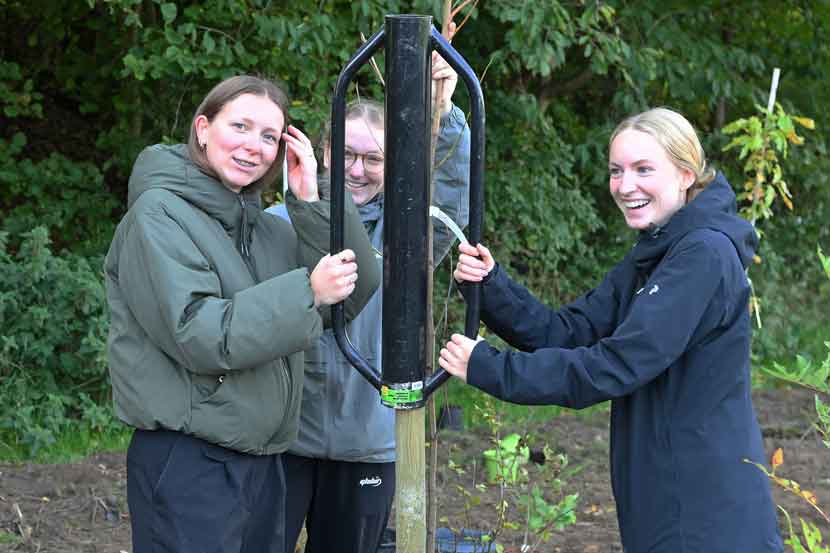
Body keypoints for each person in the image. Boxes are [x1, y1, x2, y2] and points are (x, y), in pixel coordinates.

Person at [439, 108, 783, 553]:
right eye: (616, 171)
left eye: (643, 170)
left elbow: (616, 365)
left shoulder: (703, 256)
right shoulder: (659, 251)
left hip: (702, 508)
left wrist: (490, 367)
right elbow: (568, 332)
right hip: (661, 493)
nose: (625, 186)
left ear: (685, 175)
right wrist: (493, 287)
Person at [104, 75, 380, 553]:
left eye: (269, 137)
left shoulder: (264, 229)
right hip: (191, 461)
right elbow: (199, 332)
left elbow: (354, 295)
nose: (254, 146)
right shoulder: (157, 216)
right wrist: (306, 292)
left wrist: (311, 201)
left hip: (264, 463)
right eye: (241, 126)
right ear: (203, 128)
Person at [266, 53, 470, 553]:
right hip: (285, 440)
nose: (357, 170)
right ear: (325, 152)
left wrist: (442, 113)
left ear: (393, 162)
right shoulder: (281, 221)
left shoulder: (406, 236)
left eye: (373, 159)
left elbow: (449, 193)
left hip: (366, 444)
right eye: (348, 154)